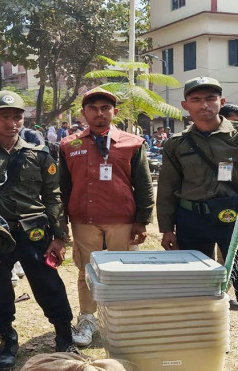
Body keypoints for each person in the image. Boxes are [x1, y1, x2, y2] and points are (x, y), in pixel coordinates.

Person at [156, 77, 238, 371]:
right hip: (191, 220)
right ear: (185, 106)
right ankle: (200, 347)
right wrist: (166, 228)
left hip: (235, 221)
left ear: (221, 102)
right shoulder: (176, 144)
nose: (204, 105)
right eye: (196, 99)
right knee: (194, 287)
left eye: (210, 98)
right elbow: (167, 187)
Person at [0, 90, 78, 371]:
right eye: (4, 116)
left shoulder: (39, 154)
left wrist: (59, 237)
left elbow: (53, 196)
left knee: (49, 284)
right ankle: (7, 339)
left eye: (17, 116)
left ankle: (64, 335)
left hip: (34, 232)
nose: (11, 122)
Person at [58, 87, 154, 347]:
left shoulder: (132, 143)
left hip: (122, 219)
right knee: (86, 270)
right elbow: (63, 187)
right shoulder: (69, 145)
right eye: (93, 108)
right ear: (83, 113)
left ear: (115, 112)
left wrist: (142, 220)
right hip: (84, 219)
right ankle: (87, 318)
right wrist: (61, 223)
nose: (99, 113)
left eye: (105, 108)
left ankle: (121, 317)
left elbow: (143, 185)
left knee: (123, 271)